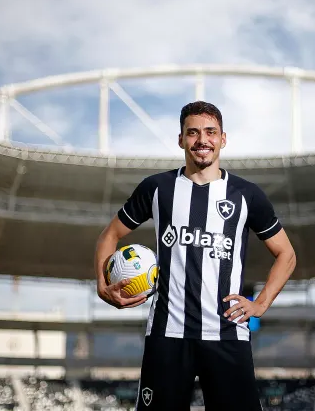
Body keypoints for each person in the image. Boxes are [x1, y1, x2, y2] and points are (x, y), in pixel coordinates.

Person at [94, 101, 297, 410]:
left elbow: (286, 254)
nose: (202, 140)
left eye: (210, 132)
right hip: (167, 333)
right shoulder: (157, 188)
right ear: (181, 140)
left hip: (228, 333)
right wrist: (101, 283)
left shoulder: (247, 195)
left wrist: (260, 303)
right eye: (193, 133)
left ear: (223, 139)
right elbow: (110, 235)